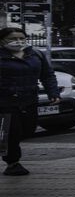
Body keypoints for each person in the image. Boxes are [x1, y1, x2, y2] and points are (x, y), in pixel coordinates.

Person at [1, 27, 59, 177]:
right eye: (12, 39)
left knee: (27, 129)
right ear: (2, 40)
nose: (18, 42)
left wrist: (53, 93)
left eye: (22, 38)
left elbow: (47, 75)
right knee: (11, 132)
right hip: (5, 102)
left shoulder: (35, 54)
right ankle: (13, 163)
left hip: (29, 100)